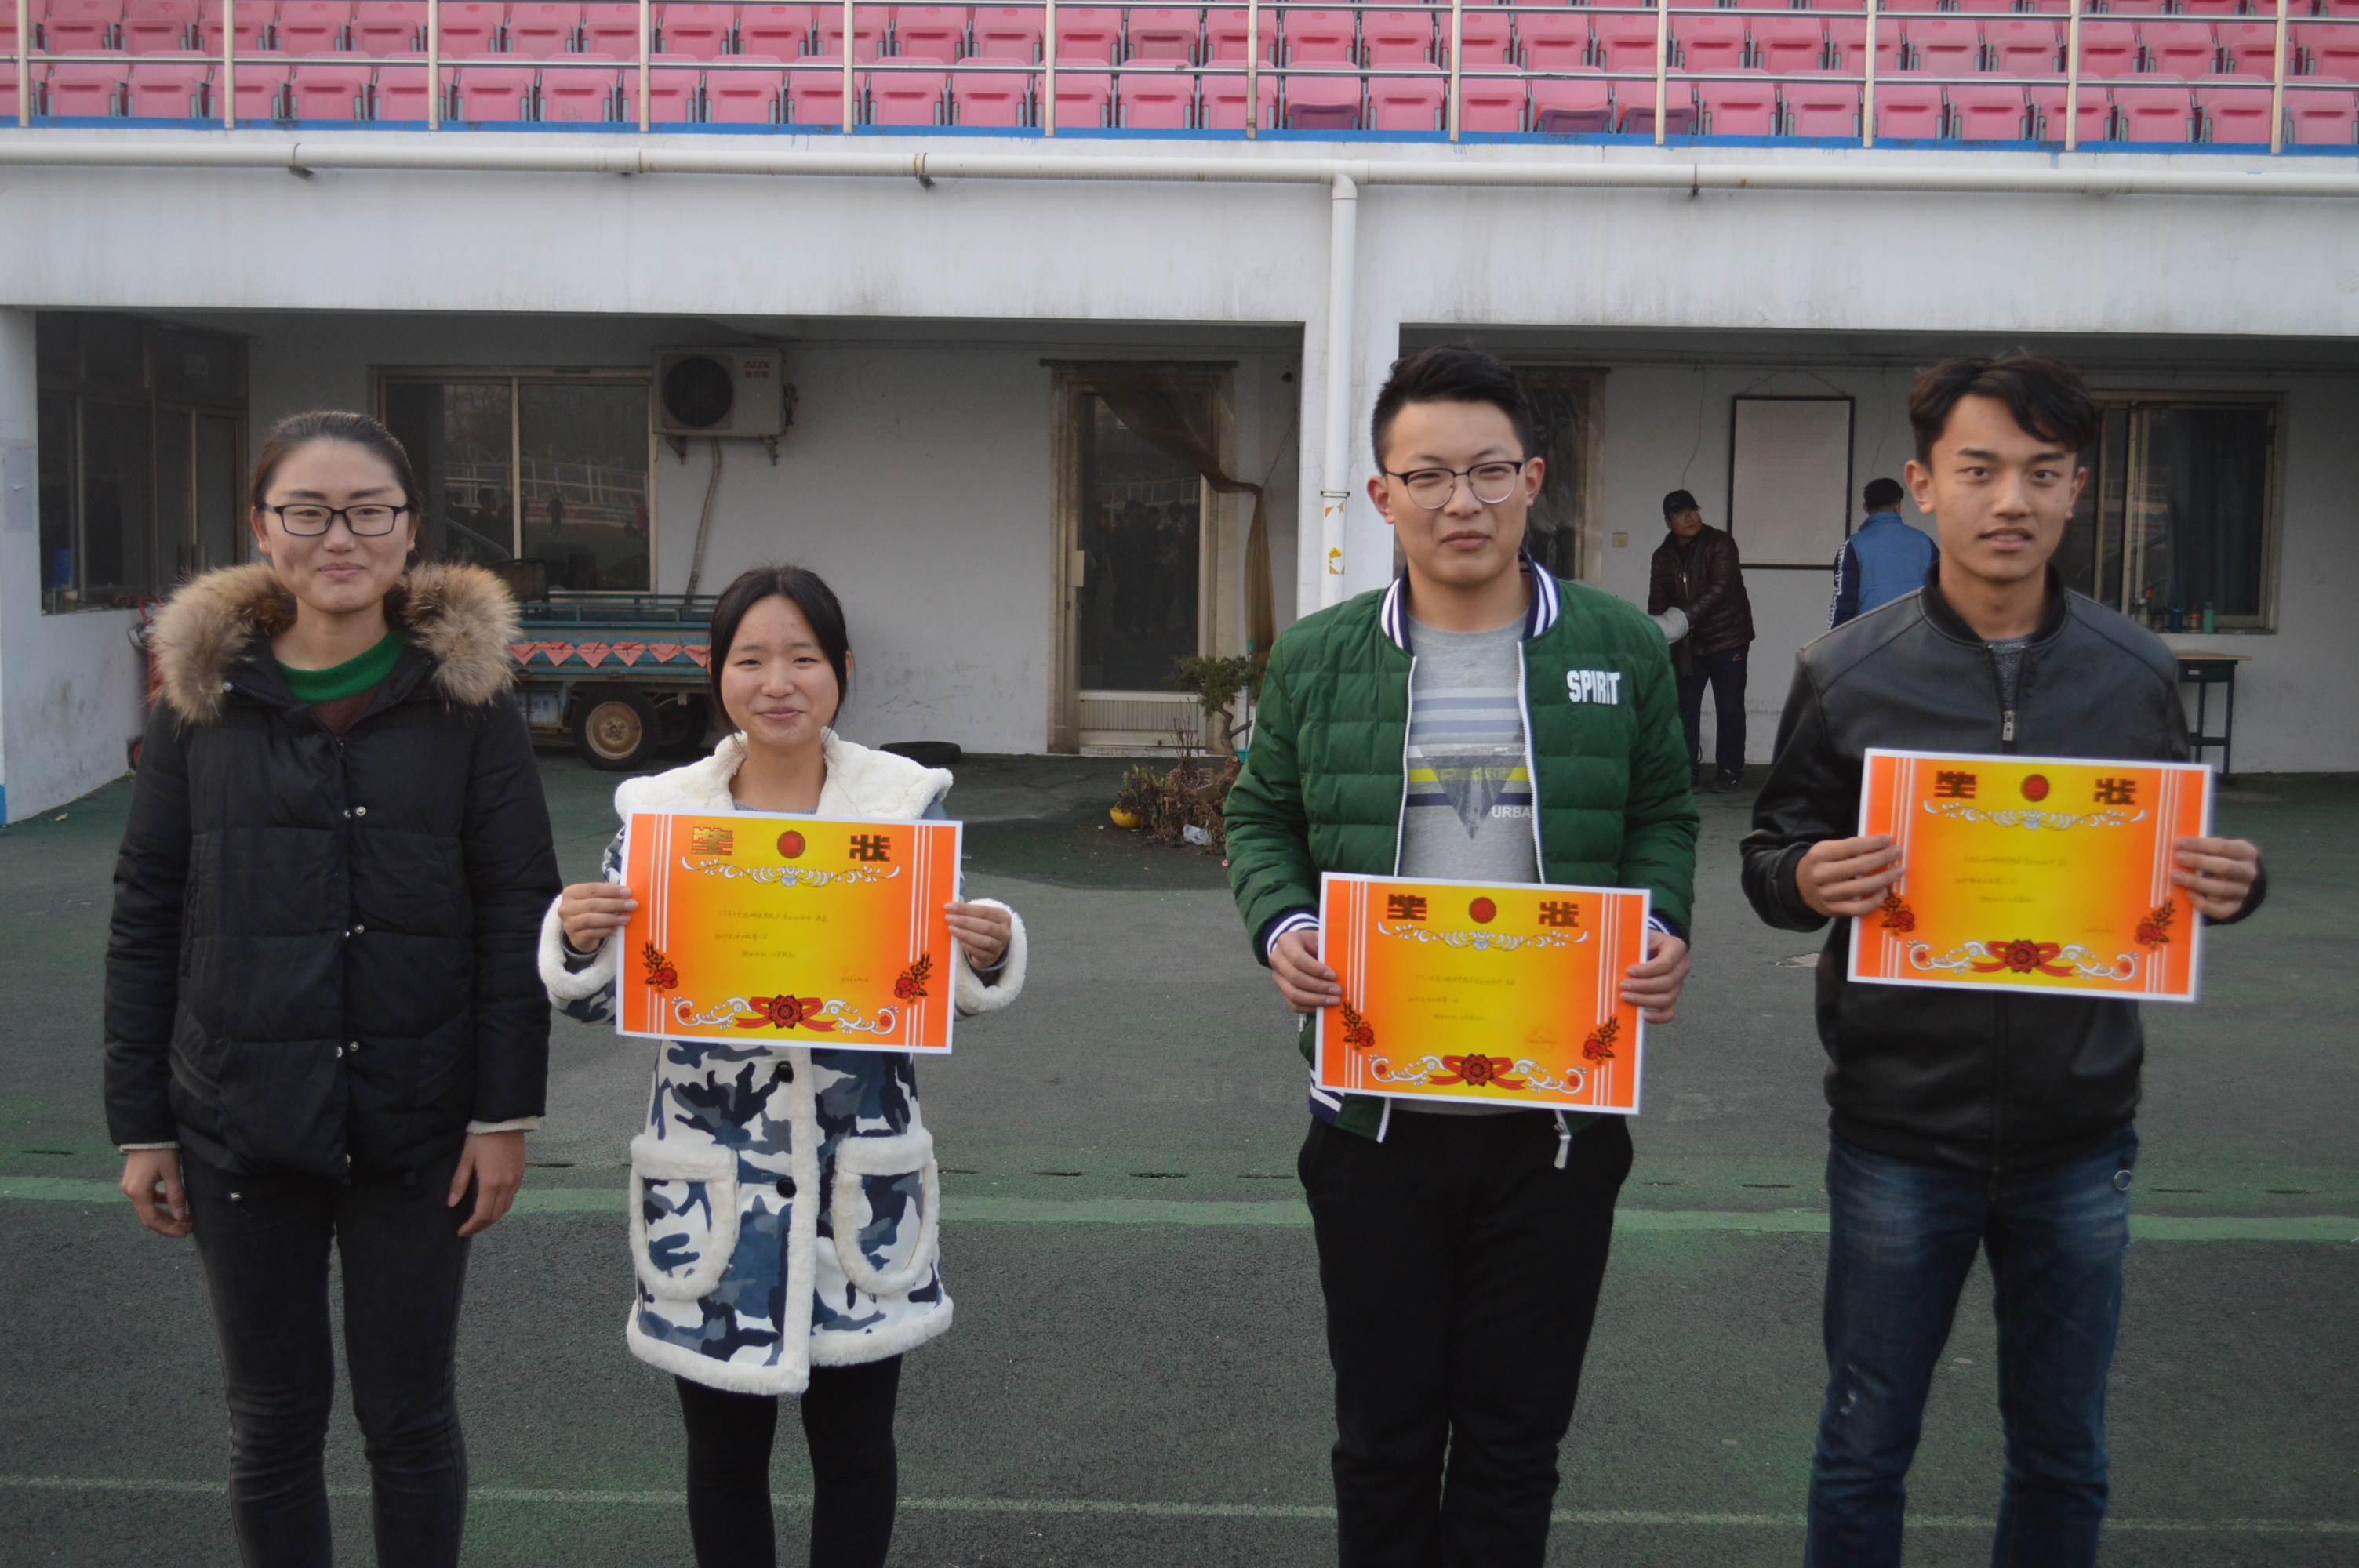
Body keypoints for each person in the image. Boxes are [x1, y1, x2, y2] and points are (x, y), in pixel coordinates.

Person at [1739, 353, 2266, 1568]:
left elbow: (2175, 863)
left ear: (2079, 488)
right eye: (1979, 470)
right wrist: (1805, 877)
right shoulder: (1846, 670)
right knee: (1864, 1446)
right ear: (1925, 484)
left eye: (2042, 471)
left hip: (2079, 1137)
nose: (2010, 500)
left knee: (2064, 1452)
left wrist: (2232, 887)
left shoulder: (2135, 673)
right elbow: (1772, 852)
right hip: (1896, 1134)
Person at [1223, 345, 1698, 1568]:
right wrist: (1285, 926)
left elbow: (1662, 812)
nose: (1461, 501)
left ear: (1534, 478)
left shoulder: (1620, 646)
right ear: (1382, 496)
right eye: (1427, 476)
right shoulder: (1319, 656)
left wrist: (1660, 923)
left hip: (1559, 1124)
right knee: (1383, 1442)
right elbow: (1259, 817)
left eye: (1489, 470)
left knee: (1512, 1445)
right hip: (1374, 1120)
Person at [107, 411, 561, 1567]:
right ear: (263, 528)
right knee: (270, 1424)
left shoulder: (470, 706)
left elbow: (518, 907)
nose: (339, 537)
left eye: (368, 511)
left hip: (419, 1121)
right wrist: (143, 1125)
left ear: (411, 531)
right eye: (307, 511)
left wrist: (502, 1113)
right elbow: (148, 910)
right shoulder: (200, 702)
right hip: (238, 1118)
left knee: (409, 1420)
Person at [541, 564, 1027, 1568]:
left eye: (802, 657)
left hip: (860, 1182)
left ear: (840, 668)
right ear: (716, 674)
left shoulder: (902, 806)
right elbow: (599, 999)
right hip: (712, 1186)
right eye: (750, 658)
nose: (777, 682)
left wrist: (984, 949)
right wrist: (578, 937)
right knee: (722, 1453)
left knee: (855, 1449)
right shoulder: (662, 815)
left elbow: (936, 989)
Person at [1647, 488, 1755, 793]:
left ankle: (1730, 771)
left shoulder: (1720, 543)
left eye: (1693, 510)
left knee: (1730, 708)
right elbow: (1658, 601)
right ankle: (1687, 773)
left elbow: (1719, 589)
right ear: (1668, 521)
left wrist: (1680, 619)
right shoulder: (1662, 556)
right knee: (1683, 709)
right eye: (1680, 513)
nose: (1689, 517)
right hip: (1687, 645)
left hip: (1728, 638)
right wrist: (1658, 631)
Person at [1829, 477, 1939, 628]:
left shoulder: (1852, 546)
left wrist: (1834, 637)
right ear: (1898, 507)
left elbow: (1843, 601)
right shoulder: (1925, 542)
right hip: (1917, 634)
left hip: (1872, 636)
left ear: (1866, 507)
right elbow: (1943, 591)